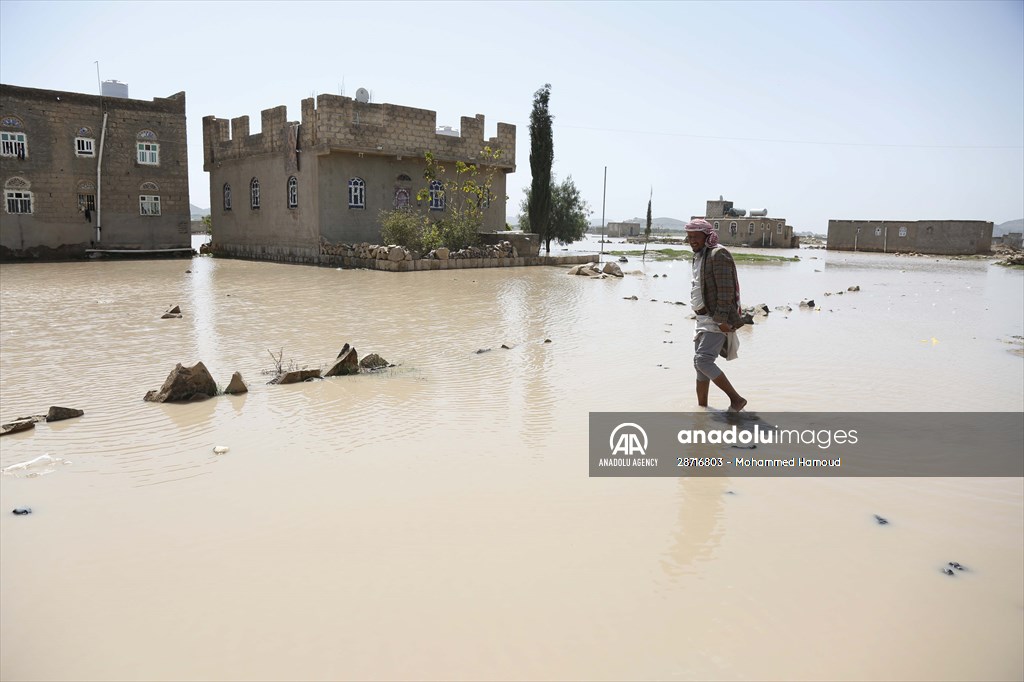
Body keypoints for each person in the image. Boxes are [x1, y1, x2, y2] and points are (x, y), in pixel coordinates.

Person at [685, 218, 747, 412]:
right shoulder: (699, 254)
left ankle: (736, 399)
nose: (692, 240)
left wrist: (720, 320)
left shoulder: (717, 254)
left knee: (702, 360)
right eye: (689, 237)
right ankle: (702, 410)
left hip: (714, 319)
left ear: (707, 236)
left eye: (695, 237)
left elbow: (726, 291)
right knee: (700, 366)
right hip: (701, 318)